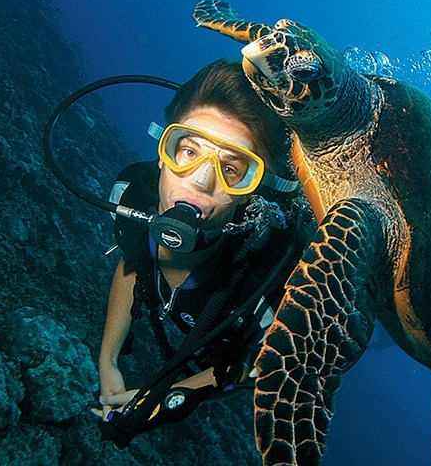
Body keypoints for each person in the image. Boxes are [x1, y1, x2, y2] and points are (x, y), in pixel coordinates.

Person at [92, 59, 314, 446]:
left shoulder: (276, 275)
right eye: (188, 150)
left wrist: (162, 401)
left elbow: (256, 366)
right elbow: (133, 261)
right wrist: (107, 360)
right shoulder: (131, 194)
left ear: (255, 188)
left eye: (231, 170)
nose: (198, 180)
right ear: (164, 149)